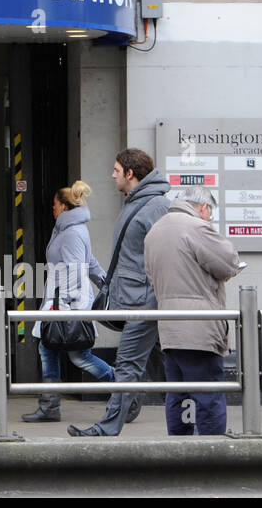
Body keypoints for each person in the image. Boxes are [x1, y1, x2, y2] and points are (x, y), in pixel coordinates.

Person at [68, 147, 171, 437]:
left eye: (116, 169)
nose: (111, 174)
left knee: (126, 363)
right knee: (164, 367)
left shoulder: (156, 208)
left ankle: (108, 427)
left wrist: (151, 299)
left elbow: (167, 255)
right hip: (134, 300)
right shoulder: (134, 202)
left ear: (130, 173)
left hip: (144, 304)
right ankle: (193, 419)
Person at [143, 185, 242, 436]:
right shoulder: (196, 227)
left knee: (179, 395)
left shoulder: (155, 231)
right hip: (199, 328)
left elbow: (151, 276)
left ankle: (181, 453)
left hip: (169, 327)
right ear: (204, 207)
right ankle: (210, 455)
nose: (209, 219)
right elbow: (228, 263)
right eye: (210, 213)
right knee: (208, 395)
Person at [22, 180, 114, 423]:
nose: (52, 209)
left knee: (79, 356)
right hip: (61, 299)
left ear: (63, 206)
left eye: (54, 204)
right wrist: (104, 281)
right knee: (49, 347)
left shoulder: (71, 232)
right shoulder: (68, 229)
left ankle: (123, 391)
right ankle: (50, 406)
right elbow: (90, 261)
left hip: (66, 302)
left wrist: (70, 309)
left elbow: (75, 268)